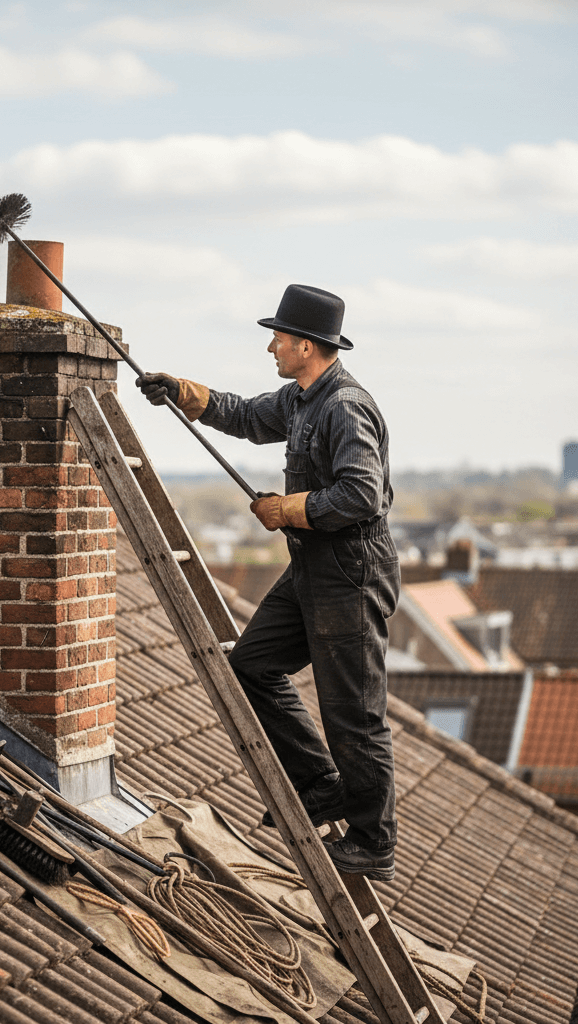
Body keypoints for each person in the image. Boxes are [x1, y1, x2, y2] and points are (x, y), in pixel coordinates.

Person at [136, 284, 400, 881]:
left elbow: (364, 493)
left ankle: (373, 841)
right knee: (252, 664)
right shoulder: (303, 398)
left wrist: (288, 510)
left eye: (278, 337)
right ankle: (320, 784)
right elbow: (249, 417)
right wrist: (184, 394)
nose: (271, 347)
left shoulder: (344, 407)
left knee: (353, 711)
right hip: (314, 567)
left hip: (350, 574)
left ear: (307, 345)